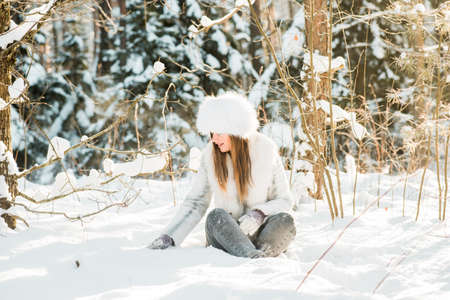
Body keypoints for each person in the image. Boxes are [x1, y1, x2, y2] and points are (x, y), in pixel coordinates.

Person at [149, 93, 296, 258]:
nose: (214, 139)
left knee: (285, 220)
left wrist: (260, 213)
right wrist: (169, 236)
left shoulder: (266, 150)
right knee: (215, 216)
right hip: (226, 236)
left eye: (218, 133)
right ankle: (251, 256)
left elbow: (285, 200)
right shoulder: (210, 156)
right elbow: (195, 202)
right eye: (211, 133)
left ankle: (258, 254)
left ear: (235, 131)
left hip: (260, 235)